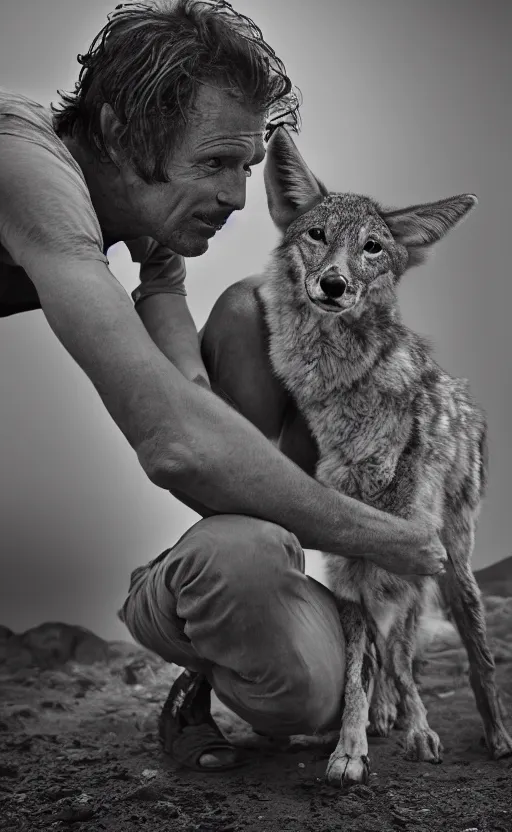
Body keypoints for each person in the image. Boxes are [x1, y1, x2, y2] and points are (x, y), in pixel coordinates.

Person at [0, 0, 447, 771]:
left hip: (242, 538)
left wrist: (252, 534)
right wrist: (383, 535)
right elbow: (173, 442)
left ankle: (204, 598)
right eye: (214, 164)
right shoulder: (29, 168)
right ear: (115, 131)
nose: (240, 198)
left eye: (243, 167)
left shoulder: (145, 217)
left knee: (255, 309)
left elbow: (188, 393)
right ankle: (197, 596)